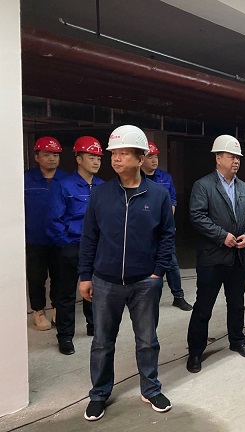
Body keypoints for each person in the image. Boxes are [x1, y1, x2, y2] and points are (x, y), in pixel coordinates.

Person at [78, 125, 175, 421]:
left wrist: (158, 273)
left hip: (145, 282)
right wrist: (85, 275)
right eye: (114, 154)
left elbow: (167, 236)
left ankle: (150, 388)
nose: (116, 159)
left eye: (123, 153)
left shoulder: (157, 195)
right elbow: (89, 236)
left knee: (147, 340)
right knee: (102, 342)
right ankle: (99, 394)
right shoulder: (101, 194)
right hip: (105, 282)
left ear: (140, 158)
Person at [186, 135, 245, 374]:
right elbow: (197, 216)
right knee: (203, 307)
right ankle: (195, 351)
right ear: (218, 158)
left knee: (237, 304)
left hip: (238, 257)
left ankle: (237, 340)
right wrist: (221, 236)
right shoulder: (203, 185)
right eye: (231, 156)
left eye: (238, 157)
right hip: (212, 259)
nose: (236, 161)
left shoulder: (243, 187)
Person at [47, 136, 104, 355]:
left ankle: (93, 326)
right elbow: (54, 221)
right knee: (66, 293)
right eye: (91, 157)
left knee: (95, 289)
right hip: (71, 246)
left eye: (99, 158)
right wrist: (67, 244)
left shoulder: (103, 187)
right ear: (79, 159)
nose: (96, 162)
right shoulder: (63, 186)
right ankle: (65, 336)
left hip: (96, 248)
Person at [24, 136, 68, 331]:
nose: (52, 158)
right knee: (36, 277)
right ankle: (38, 311)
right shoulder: (26, 179)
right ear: (37, 156)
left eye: (55, 155)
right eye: (47, 154)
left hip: (59, 239)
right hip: (35, 239)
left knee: (60, 276)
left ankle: (57, 308)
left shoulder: (66, 180)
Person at [142, 141, 192, 311]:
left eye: (156, 156)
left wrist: (167, 224)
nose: (154, 160)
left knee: (171, 263)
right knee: (145, 263)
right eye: (150, 157)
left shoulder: (165, 178)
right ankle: (146, 298)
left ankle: (178, 297)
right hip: (143, 231)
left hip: (163, 229)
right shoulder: (137, 178)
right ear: (142, 159)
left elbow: (172, 201)